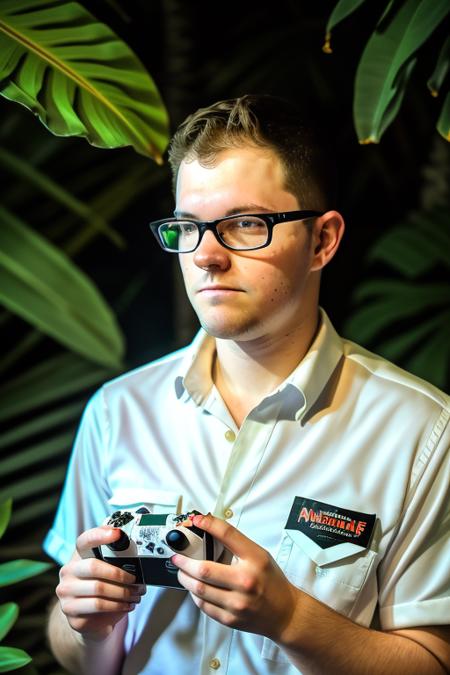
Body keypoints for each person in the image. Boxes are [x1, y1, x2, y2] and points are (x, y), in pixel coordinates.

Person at [44, 94, 450, 675]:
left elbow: (434, 663)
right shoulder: (118, 410)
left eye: (244, 224)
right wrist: (88, 624)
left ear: (323, 241)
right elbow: (76, 648)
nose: (206, 255)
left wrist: (289, 618)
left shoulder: (423, 432)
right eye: (189, 227)